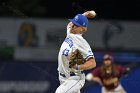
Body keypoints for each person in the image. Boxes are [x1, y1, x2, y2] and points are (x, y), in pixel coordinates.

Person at [55, 10, 97, 93]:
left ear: (82, 29)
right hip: (63, 78)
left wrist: (78, 67)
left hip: (75, 78)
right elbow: (70, 24)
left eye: (76, 25)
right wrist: (85, 14)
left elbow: (92, 63)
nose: (73, 26)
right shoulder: (70, 32)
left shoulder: (82, 42)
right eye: (73, 23)